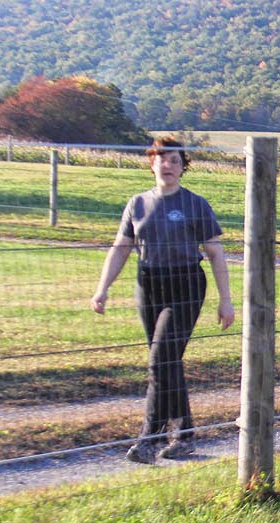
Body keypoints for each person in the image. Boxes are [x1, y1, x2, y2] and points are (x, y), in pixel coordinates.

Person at [91, 138, 235, 463]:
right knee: (167, 361)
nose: (168, 165)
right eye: (162, 159)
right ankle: (184, 435)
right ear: (152, 163)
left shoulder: (195, 204)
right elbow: (121, 249)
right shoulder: (137, 204)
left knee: (161, 360)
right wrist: (102, 288)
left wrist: (226, 301)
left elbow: (215, 253)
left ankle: (149, 440)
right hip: (149, 284)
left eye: (174, 160)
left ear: (183, 167)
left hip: (186, 284)